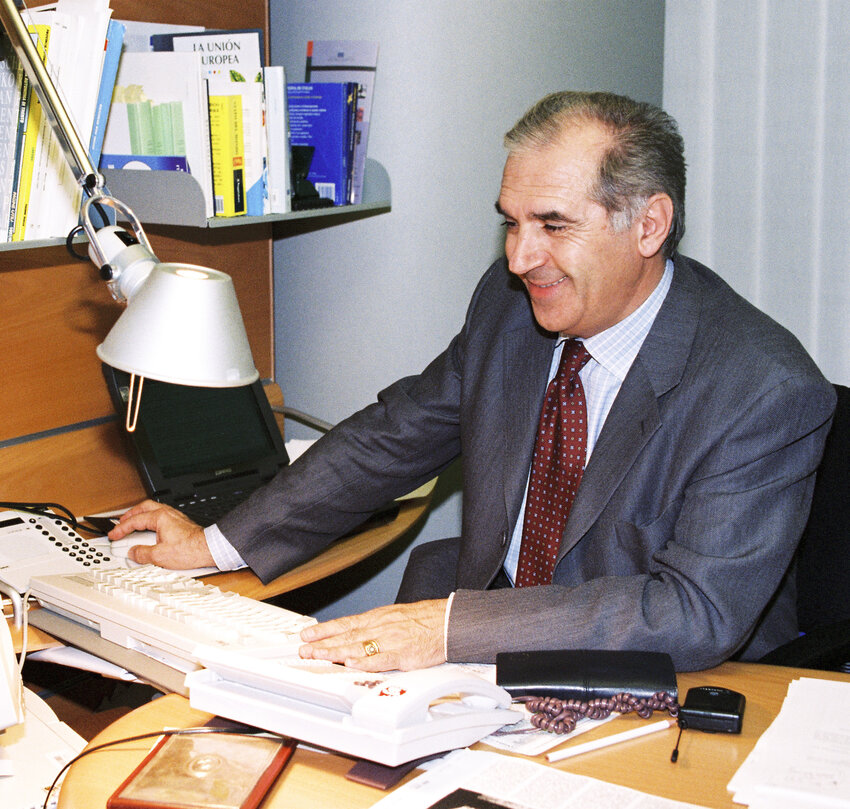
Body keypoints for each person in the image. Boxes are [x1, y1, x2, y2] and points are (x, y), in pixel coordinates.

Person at [109, 91, 836, 673]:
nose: (520, 258)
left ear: (649, 226)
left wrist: (450, 628)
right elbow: (392, 435)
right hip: (475, 657)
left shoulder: (763, 389)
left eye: (552, 225)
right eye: (511, 222)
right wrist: (217, 544)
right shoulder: (511, 306)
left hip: (659, 677)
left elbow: (694, 613)